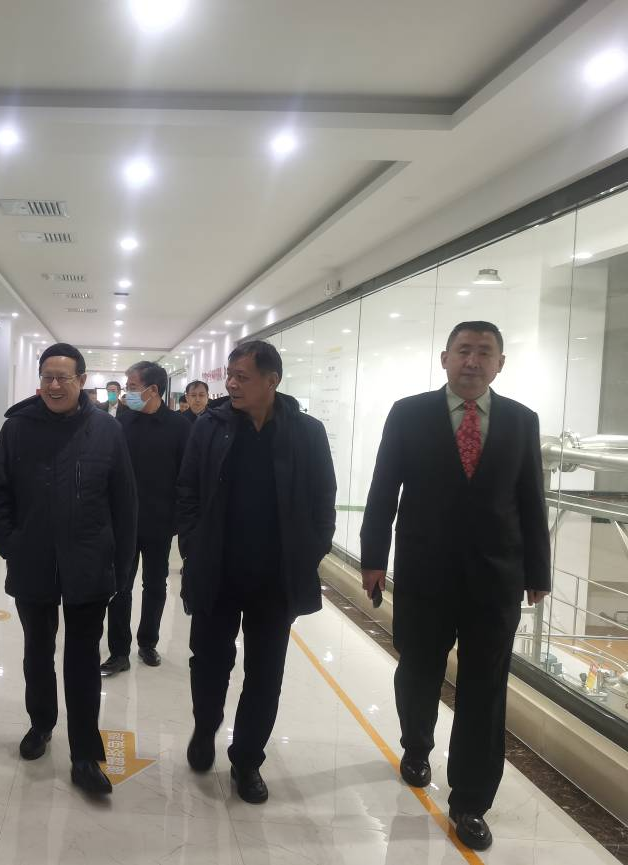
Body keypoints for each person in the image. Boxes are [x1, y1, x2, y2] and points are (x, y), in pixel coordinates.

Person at [359, 321, 551, 851]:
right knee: (418, 670)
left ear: (500, 364)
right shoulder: (409, 413)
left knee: (485, 690)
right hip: (425, 574)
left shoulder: (521, 421)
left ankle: (470, 801)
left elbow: (531, 499)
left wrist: (538, 571)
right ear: (444, 358)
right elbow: (383, 488)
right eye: (464, 350)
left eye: (484, 352)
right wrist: (373, 558)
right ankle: (416, 745)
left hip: (495, 578)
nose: (473, 360)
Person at [177, 340, 336, 803]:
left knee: (266, 674)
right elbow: (187, 492)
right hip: (217, 572)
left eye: (241, 377)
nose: (230, 384)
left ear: (272, 381)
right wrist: (194, 546)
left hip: (275, 579)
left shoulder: (306, 432)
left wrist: (308, 554)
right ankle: (205, 727)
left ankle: (247, 760)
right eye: (229, 374)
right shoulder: (210, 427)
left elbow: (323, 500)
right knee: (209, 662)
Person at [0, 342, 137, 795]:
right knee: (37, 651)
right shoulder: (17, 427)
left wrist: (122, 568)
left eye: (63, 378)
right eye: (47, 377)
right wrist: (9, 542)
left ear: (81, 381)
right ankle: (41, 724)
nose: (54, 385)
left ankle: (85, 754)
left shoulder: (107, 431)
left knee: (83, 659)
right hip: (33, 561)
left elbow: (124, 502)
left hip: (89, 562)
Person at [101, 361, 190, 675]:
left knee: (155, 584)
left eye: (132, 386)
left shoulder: (180, 427)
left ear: (153, 390)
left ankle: (148, 643)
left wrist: (177, 520)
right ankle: (118, 651)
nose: (127, 393)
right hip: (123, 523)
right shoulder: (123, 421)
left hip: (160, 522)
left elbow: (186, 477)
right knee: (120, 586)